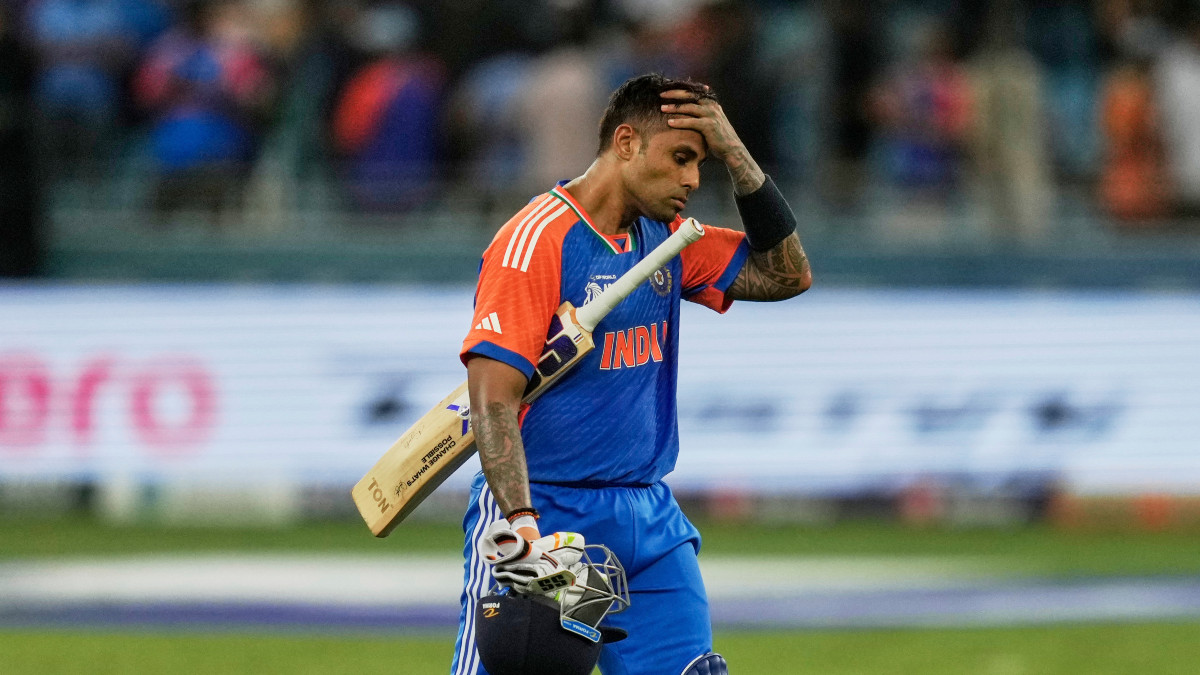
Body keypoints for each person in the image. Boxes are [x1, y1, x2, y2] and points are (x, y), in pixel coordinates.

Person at [453, 73, 811, 675]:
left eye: (701, 163)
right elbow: (492, 401)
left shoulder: (668, 240)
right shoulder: (535, 242)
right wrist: (523, 530)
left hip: (647, 516)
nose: (694, 180)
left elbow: (787, 274)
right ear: (626, 143)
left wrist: (736, 154)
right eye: (681, 158)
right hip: (548, 517)